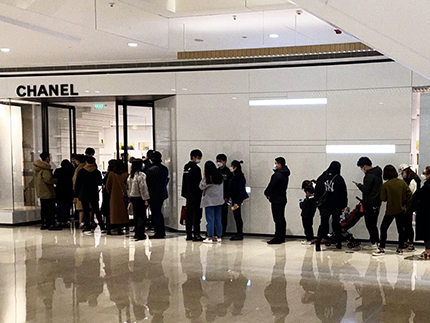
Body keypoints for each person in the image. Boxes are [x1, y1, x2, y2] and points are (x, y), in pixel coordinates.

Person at [373, 165, 412, 256]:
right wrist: (406, 205)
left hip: (390, 210)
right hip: (401, 210)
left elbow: (383, 198)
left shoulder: (386, 185)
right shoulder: (402, 183)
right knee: (400, 230)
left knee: (383, 228)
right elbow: (409, 193)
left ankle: (382, 248)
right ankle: (400, 248)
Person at [314, 161, 348, 251]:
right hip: (336, 205)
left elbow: (317, 192)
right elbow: (343, 193)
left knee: (323, 223)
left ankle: (318, 244)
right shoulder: (339, 178)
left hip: (324, 205)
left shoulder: (321, 177)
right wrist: (344, 205)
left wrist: (317, 203)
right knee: (336, 223)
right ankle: (338, 243)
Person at [355, 157, 383, 250]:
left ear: (365, 166)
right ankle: (375, 241)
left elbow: (366, 190)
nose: (361, 169)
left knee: (370, 224)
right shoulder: (378, 174)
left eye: (361, 167)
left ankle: (374, 242)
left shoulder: (369, 176)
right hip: (376, 202)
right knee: (373, 223)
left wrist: (359, 186)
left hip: (370, 203)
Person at [75, 157, 106, 234]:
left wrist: (76, 194)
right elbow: (100, 182)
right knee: (96, 210)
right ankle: (102, 226)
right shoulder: (97, 172)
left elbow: (77, 184)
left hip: (83, 193)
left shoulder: (81, 172)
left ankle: (87, 226)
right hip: (94, 193)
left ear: (86, 162)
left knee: (85, 210)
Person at [264, 157, 290, 245]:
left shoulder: (277, 175)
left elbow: (271, 186)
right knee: (281, 218)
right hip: (283, 198)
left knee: (277, 219)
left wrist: (266, 193)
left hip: (276, 199)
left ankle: (278, 237)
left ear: (280, 164)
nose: (275, 165)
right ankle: (282, 236)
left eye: (276, 163)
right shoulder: (285, 174)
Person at [34, 152, 61, 230]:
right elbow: (48, 179)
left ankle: (44, 223)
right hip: (47, 191)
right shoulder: (45, 168)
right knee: (50, 209)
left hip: (41, 191)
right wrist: (55, 180)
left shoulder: (37, 168)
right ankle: (51, 224)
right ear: (47, 158)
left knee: (44, 209)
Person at [181, 149, 204, 242]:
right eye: (198, 158)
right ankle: (197, 234)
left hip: (188, 195)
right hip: (196, 195)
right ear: (193, 157)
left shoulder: (186, 167)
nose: (199, 160)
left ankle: (188, 234)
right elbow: (198, 184)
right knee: (196, 216)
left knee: (189, 216)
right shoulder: (196, 169)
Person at [199, 161, 224, 243]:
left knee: (210, 219)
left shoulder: (208, 178)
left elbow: (201, 186)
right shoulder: (220, 177)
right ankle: (219, 236)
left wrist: (203, 177)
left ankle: (210, 236)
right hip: (219, 201)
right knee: (218, 219)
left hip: (209, 201)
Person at [146, 151, 169, 239]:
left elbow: (148, 183)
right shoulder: (164, 169)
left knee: (156, 213)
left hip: (153, 194)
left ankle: (158, 231)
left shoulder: (151, 170)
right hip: (162, 193)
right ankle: (161, 230)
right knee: (159, 212)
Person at [400, 165, 421, 252]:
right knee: (406, 224)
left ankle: (410, 242)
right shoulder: (410, 180)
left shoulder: (413, 181)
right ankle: (406, 241)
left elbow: (410, 193)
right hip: (409, 205)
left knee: (407, 224)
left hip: (409, 205)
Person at [127, 160, 150, 241]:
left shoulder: (131, 176)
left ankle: (137, 232)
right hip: (140, 197)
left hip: (133, 197)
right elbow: (143, 188)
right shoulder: (141, 175)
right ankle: (140, 233)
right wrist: (146, 198)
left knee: (136, 215)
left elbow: (128, 188)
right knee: (142, 216)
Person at [106, 160, 129, 235]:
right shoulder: (126, 174)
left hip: (114, 196)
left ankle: (109, 229)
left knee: (113, 212)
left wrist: (111, 193)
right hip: (123, 196)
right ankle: (120, 228)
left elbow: (108, 186)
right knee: (122, 212)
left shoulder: (111, 174)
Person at [228, 160, 249, 241]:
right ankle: (239, 233)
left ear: (235, 167)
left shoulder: (237, 177)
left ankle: (239, 233)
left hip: (236, 200)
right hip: (237, 199)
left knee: (237, 216)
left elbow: (236, 189)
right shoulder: (239, 176)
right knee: (237, 216)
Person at [216, 154, 233, 236]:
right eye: (217, 161)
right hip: (216, 196)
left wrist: (227, 196)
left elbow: (229, 186)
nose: (218, 163)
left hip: (224, 197)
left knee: (223, 214)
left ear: (225, 161)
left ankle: (222, 231)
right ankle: (216, 231)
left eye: (220, 161)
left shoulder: (228, 173)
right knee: (216, 214)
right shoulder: (216, 171)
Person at [53, 159, 74, 227]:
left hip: (59, 190)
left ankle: (59, 219)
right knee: (67, 206)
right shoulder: (70, 171)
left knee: (59, 205)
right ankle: (66, 219)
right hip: (68, 190)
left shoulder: (58, 171)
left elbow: (55, 180)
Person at [415, 166, 430, 259]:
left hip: (426, 213)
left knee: (427, 233)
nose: (423, 175)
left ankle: (428, 251)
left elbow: (419, 198)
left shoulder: (427, 187)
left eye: (425, 173)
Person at [300, 180, 316, 245]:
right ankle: (310, 238)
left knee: (307, 226)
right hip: (311, 213)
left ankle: (309, 239)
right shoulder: (313, 198)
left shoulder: (308, 200)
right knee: (309, 225)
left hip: (306, 214)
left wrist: (301, 202)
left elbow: (303, 207)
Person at [73, 154, 86, 227]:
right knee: (88, 208)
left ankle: (81, 222)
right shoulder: (86, 167)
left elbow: (75, 181)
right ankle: (88, 221)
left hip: (80, 190)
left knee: (81, 208)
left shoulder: (79, 169)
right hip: (87, 190)